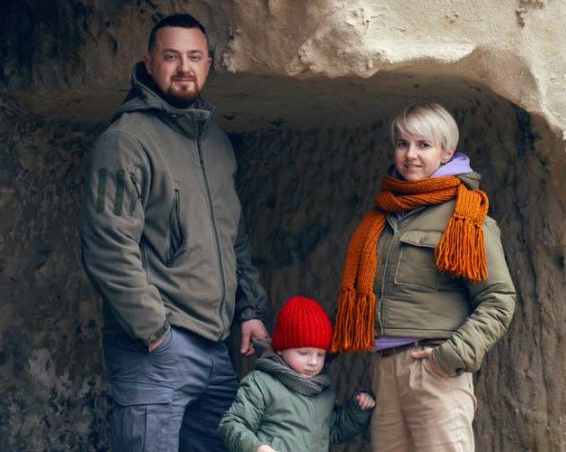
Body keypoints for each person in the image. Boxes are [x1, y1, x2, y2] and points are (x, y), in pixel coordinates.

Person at [79, 13, 269, 452]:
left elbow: (233, 238)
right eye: (171, 57)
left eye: (194, 57)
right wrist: (154, 332)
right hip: (156, 351)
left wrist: (250, 310)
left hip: (216, 350)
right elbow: (108, 246)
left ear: (208, 65)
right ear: (149, 63)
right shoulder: (126, 140)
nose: (184, 67)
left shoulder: (216, 142)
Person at [330, 103, 516, 451]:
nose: (410, 154)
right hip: (384, 370)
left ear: (447, 151)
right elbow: (359, 297)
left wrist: (449, 357)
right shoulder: (384, 215)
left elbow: (498, 299)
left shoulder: (466, 216)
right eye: (402, 144)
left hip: (434, 370)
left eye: (423, 145)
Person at [218, 296, 375, 452]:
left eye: (320, 354)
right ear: (281, 349)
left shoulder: (323, 392)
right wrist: (256, 448)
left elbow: (336, 431)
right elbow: (232, 424)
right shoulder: (261, 384)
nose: (313, 362)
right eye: (303, 353)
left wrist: (358, 409)